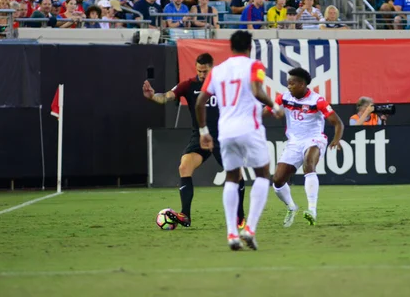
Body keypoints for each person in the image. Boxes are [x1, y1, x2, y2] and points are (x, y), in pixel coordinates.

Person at [195, 30, 280, 250]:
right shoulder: (255, 65)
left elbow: (199, 103)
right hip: (249, 128)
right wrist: (274, 105)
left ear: (230, 47)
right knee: (262, 174)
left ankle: (232, 234)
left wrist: (204, 131)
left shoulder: (217, 71)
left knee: (232, 178)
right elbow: (256, 89)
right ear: (249, 47)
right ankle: (249, 228)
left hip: (225, 131)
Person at [143, 53, 246, 229]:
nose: (202, 75)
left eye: (205, 71)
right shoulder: (189, 85)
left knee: (236, 175)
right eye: (199, 71)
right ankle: (185, 216)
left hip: (224, 137)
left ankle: (240, 216)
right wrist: (153, 96)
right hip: (200, 137)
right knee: (184, 167)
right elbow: (167, 96)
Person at [266, 67, 343, 227]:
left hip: (314, 139)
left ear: (302, 84)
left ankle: (312, 211)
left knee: (309, 164)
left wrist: (336, 139)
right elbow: (265, 111)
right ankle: (291, 207)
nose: (288, 86)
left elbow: (338, 122)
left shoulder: (317, 100)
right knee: (278, 180)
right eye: (288, 83)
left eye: (291, 83)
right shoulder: (284, 98)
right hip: (294, 143)